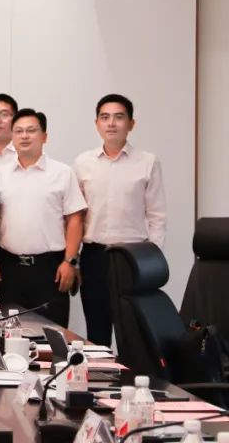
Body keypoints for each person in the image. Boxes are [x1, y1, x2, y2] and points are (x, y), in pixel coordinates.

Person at [73, 94, 167, 346]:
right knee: (97, 331)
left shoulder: (147, 162)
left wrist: (151, 258)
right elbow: (76, 216)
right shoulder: (83, 163)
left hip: (132, 257)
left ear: (131, 124)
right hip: (94, 256)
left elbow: (157, 215)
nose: (111, 123)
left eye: (118, 117)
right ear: (97, 124)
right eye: (105, 117)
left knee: (132, 333)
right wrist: (74, 259)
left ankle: (133, 373)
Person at [0, 109, 86, 328]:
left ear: (44, 136)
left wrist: (70, 262)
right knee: (8, 334)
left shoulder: (62, 173)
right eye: (18, 131)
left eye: (31, 130)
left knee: (51, 333)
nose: (24, 136)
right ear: (12, 137)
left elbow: (75, 220)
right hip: (8, 268)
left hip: (50, 269)